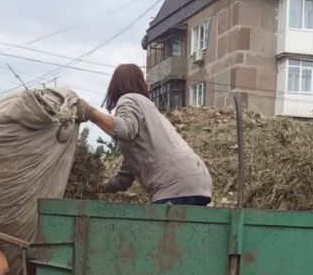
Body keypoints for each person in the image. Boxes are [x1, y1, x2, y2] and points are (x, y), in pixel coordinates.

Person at [76, 63, 213, 206]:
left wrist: (90, 112)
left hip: (173, 185)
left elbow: (124, 130)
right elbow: (124, 178)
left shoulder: (129, 99)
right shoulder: (147, 110)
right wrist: (98, 188)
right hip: (198, 181)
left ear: (115, 86)